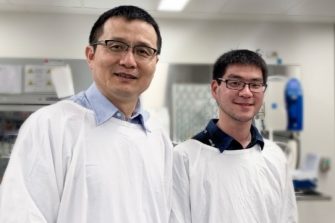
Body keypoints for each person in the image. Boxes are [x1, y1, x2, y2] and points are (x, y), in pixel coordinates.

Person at [0, 5, 173, 223]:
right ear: (90, 55)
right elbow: (21, 215)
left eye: (143, 51)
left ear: (155, 63)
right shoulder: (50, 125)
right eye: (116, 46)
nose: (129, 61)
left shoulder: (158, 138)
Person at [170, 49, 298, 223]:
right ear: (215, 89)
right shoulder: (184, 157)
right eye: (235, 83)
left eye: (255, 84)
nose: (246, 92)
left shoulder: (274, 155)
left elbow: (288, 218)